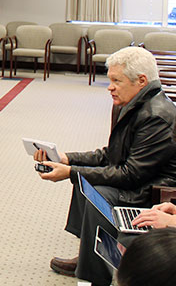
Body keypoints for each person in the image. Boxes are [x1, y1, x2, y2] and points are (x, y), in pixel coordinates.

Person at [33, 46, 176, 286]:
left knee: (96, 191)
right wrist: (67, 159)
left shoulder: (156, 116)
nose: (110, 87)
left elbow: (131, 174)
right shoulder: (134, 104)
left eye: (116, 81)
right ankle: (87, 254)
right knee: (84, 179)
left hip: (152, 188)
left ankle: (93, 275)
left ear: (141, 81)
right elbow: (111, 155)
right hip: (140, 178)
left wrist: (71, 172)